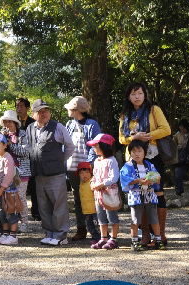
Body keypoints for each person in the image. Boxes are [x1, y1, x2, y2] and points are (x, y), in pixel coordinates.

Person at [118, 82, 171, 246]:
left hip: (153, 156)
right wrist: (133, 138)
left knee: (157, 191)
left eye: (139, 93)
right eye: (133, 94)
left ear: (145, 95)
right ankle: (145, 235)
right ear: (128, 97)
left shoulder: (154, 110)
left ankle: (160, 235)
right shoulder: (124, 115)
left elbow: (166, 129)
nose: (137, 97)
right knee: (139, 195)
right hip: (134, 158)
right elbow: (121, 138)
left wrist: (147, 136)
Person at [26, 99, 74, 246]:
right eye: (40, 111)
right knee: (43, 205)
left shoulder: (58, 127)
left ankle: (61, 236)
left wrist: (60, 161)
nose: (44, 113)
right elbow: (28, 147)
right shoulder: (30, 128)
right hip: (39, 174)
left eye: (46, 110)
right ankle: (49, 233)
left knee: (58, 205)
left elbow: (70, 147)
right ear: (33, 114)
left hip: (56, 174)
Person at [64, 96, 100, 241]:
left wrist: (88, 166)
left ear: (75, 110)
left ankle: (96, 228)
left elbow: (95, 146)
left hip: (87, 168)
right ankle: (81, 228)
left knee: (91, 197)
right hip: (72, 168)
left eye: (70, 108)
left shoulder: (92, 124)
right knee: (78, 199)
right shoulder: (69, 124)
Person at [119, 141, 163, 252]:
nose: (137, 154)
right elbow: (125, 179)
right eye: (133, 151)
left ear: (144, 153)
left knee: (154, 219)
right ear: (130, 153)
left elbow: (157, 177)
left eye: (139, 151)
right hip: (136, 195)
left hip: (150, 194)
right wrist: (139, 180)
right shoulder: (127, 166)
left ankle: (158, 240)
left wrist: (155, 179)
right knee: (135, 220)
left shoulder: (150, 165)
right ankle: (134, 242)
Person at [87, 134, 120, 250]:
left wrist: (100, 184)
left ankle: (114, 239)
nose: (94, 148)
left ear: (103, 146)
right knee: (101, 216)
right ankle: (104, 237)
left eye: (96, 145)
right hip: (98, 194)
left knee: (112, 216)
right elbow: (95, 176)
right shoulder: (97, 161)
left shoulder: (112, 161)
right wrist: (93, 183)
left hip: (109, 194)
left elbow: (114, 177)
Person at [0, 133, 21, 245]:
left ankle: (13, 236)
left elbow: (9, 174)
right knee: (1, 212)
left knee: (10, 211)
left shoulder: (8, 158)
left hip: (8, 190)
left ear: (5, 145)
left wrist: (2, 187)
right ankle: (5, 234)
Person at [0, 109, 30, 228]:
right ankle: (13, 223)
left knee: (21, 197)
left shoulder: (23, 134)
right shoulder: (2, 135)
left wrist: (11, 145)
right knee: (9, 197)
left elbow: (25, 152)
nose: (7, 124)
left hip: (21, 172)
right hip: (7, 171)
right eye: (5, 122)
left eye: (10, 122)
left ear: (15, 122)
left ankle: (25, 223)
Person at [75, 162, 101, 246]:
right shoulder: (81, 183)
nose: (84, 175)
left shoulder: (92, 182)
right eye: (81, 173)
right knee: (90, 226)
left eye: (86, 172)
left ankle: (103, 237)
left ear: (91, 172)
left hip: (94, 209)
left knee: (98, 225)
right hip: (86, 210)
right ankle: (95, 238)